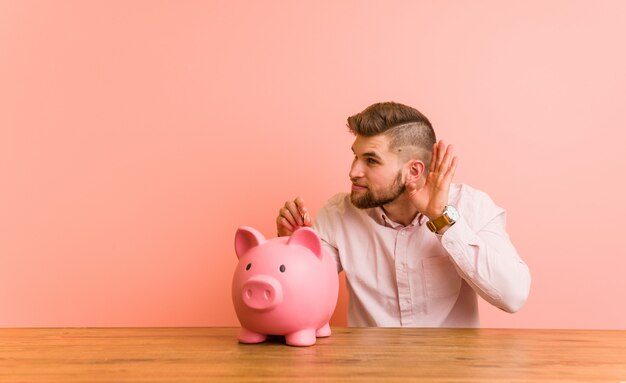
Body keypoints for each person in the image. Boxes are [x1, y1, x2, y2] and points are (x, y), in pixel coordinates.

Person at [276, 101, 531, 327]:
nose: (353, 172)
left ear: (413, 171)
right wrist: (293, 252)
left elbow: (513, 296)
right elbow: (300, 302)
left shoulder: (472, 207)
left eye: (371, 161)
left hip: (451, 371)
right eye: (355, 157)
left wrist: (442, 220)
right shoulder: (337, 215)